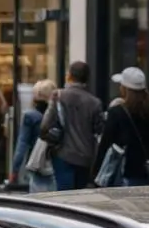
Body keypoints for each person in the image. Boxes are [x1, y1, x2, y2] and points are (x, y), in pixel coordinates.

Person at [40, 61, 105, 191]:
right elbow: (99, 130)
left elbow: (44, 126)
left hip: (63, 155)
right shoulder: (95, 102)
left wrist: (53, 142)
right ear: (87, 78)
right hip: (86, 157)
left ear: (69, 76)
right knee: (79, 198)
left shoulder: (58, 96)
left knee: (64, 198)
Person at [95, 67, 149, 187]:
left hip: (123, 173)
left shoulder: (117, 113)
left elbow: (105, 144)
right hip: (148, 172)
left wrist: (95, 173)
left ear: (124, 89)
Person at [11, 79, 58, 191]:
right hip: (56, 165)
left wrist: (15, 170)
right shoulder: (58, 115)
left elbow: (22, 145)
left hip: (38, 163)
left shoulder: (30, 116)